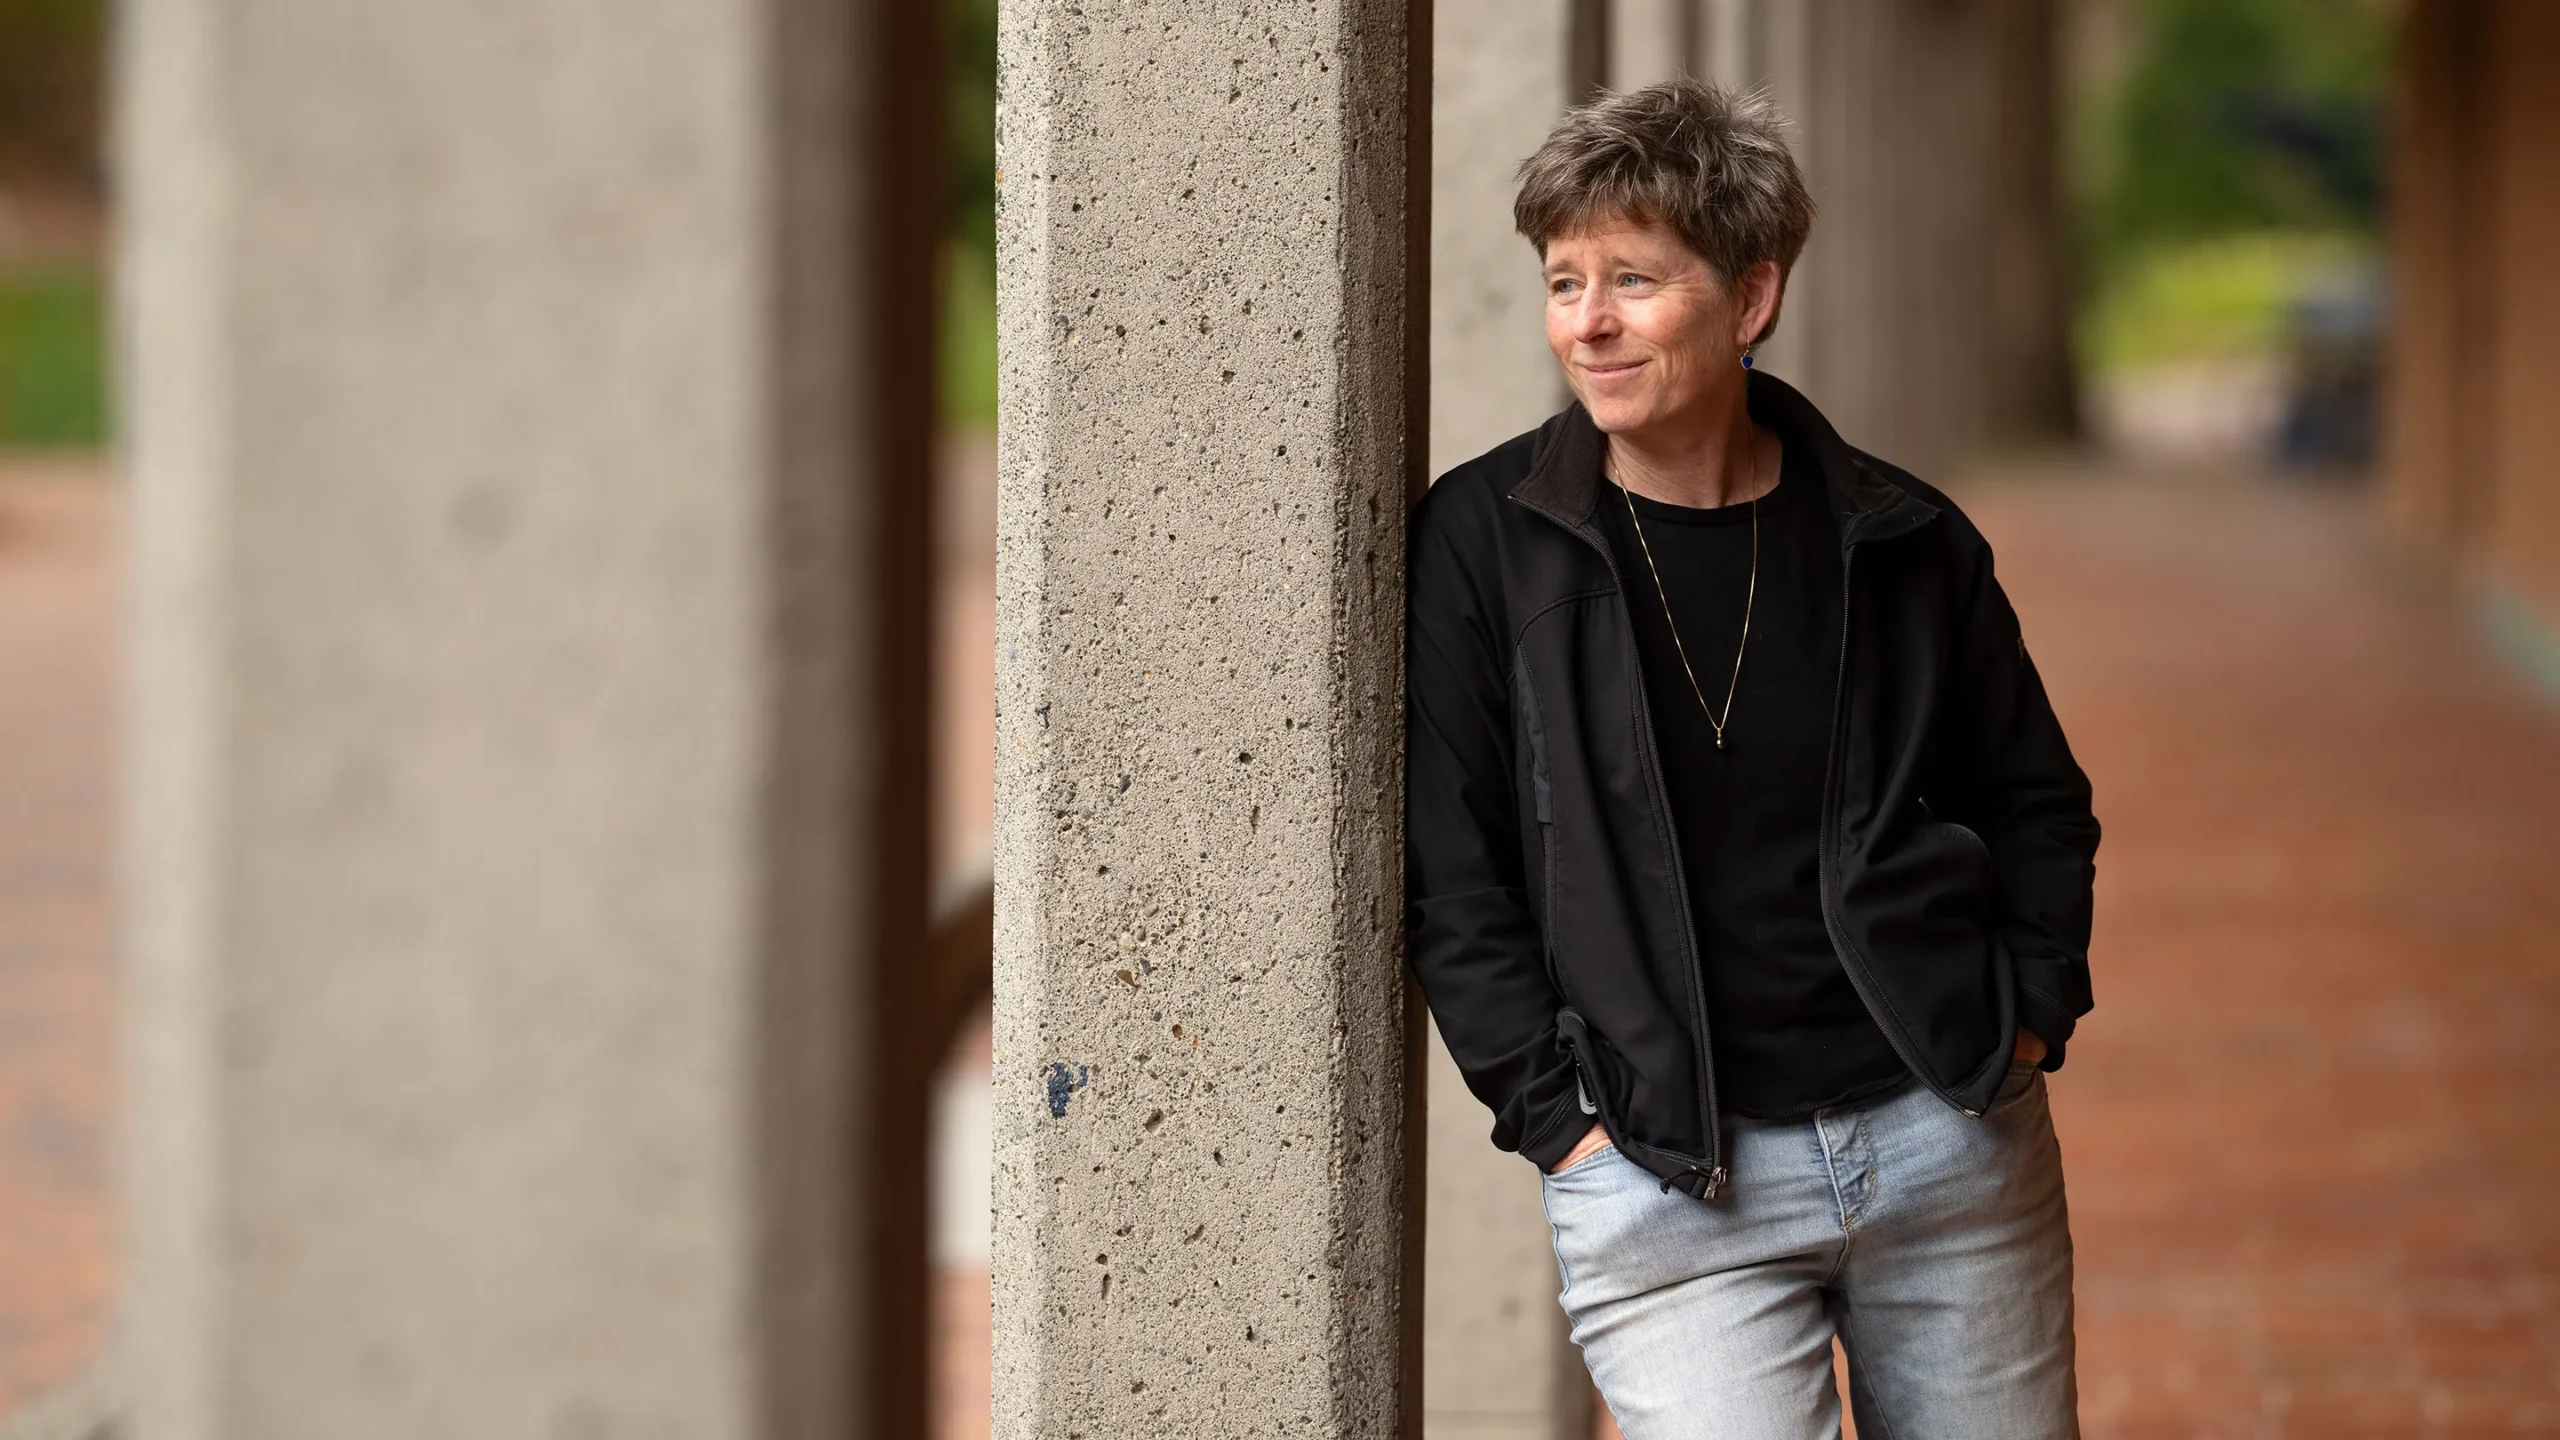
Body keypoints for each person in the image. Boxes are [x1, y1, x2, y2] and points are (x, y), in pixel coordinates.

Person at [1404, 79, 2100, 1440]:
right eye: (1564, 283)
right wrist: (1561, 1124)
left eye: (1634, 282)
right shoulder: (1485, 544)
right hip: (1668, 1181)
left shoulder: (1901, 540)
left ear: (1752, 295)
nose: (1588, 324)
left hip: (1946, 1141)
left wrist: (2024, 1019)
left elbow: (2035, 801)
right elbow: (1455, 866)